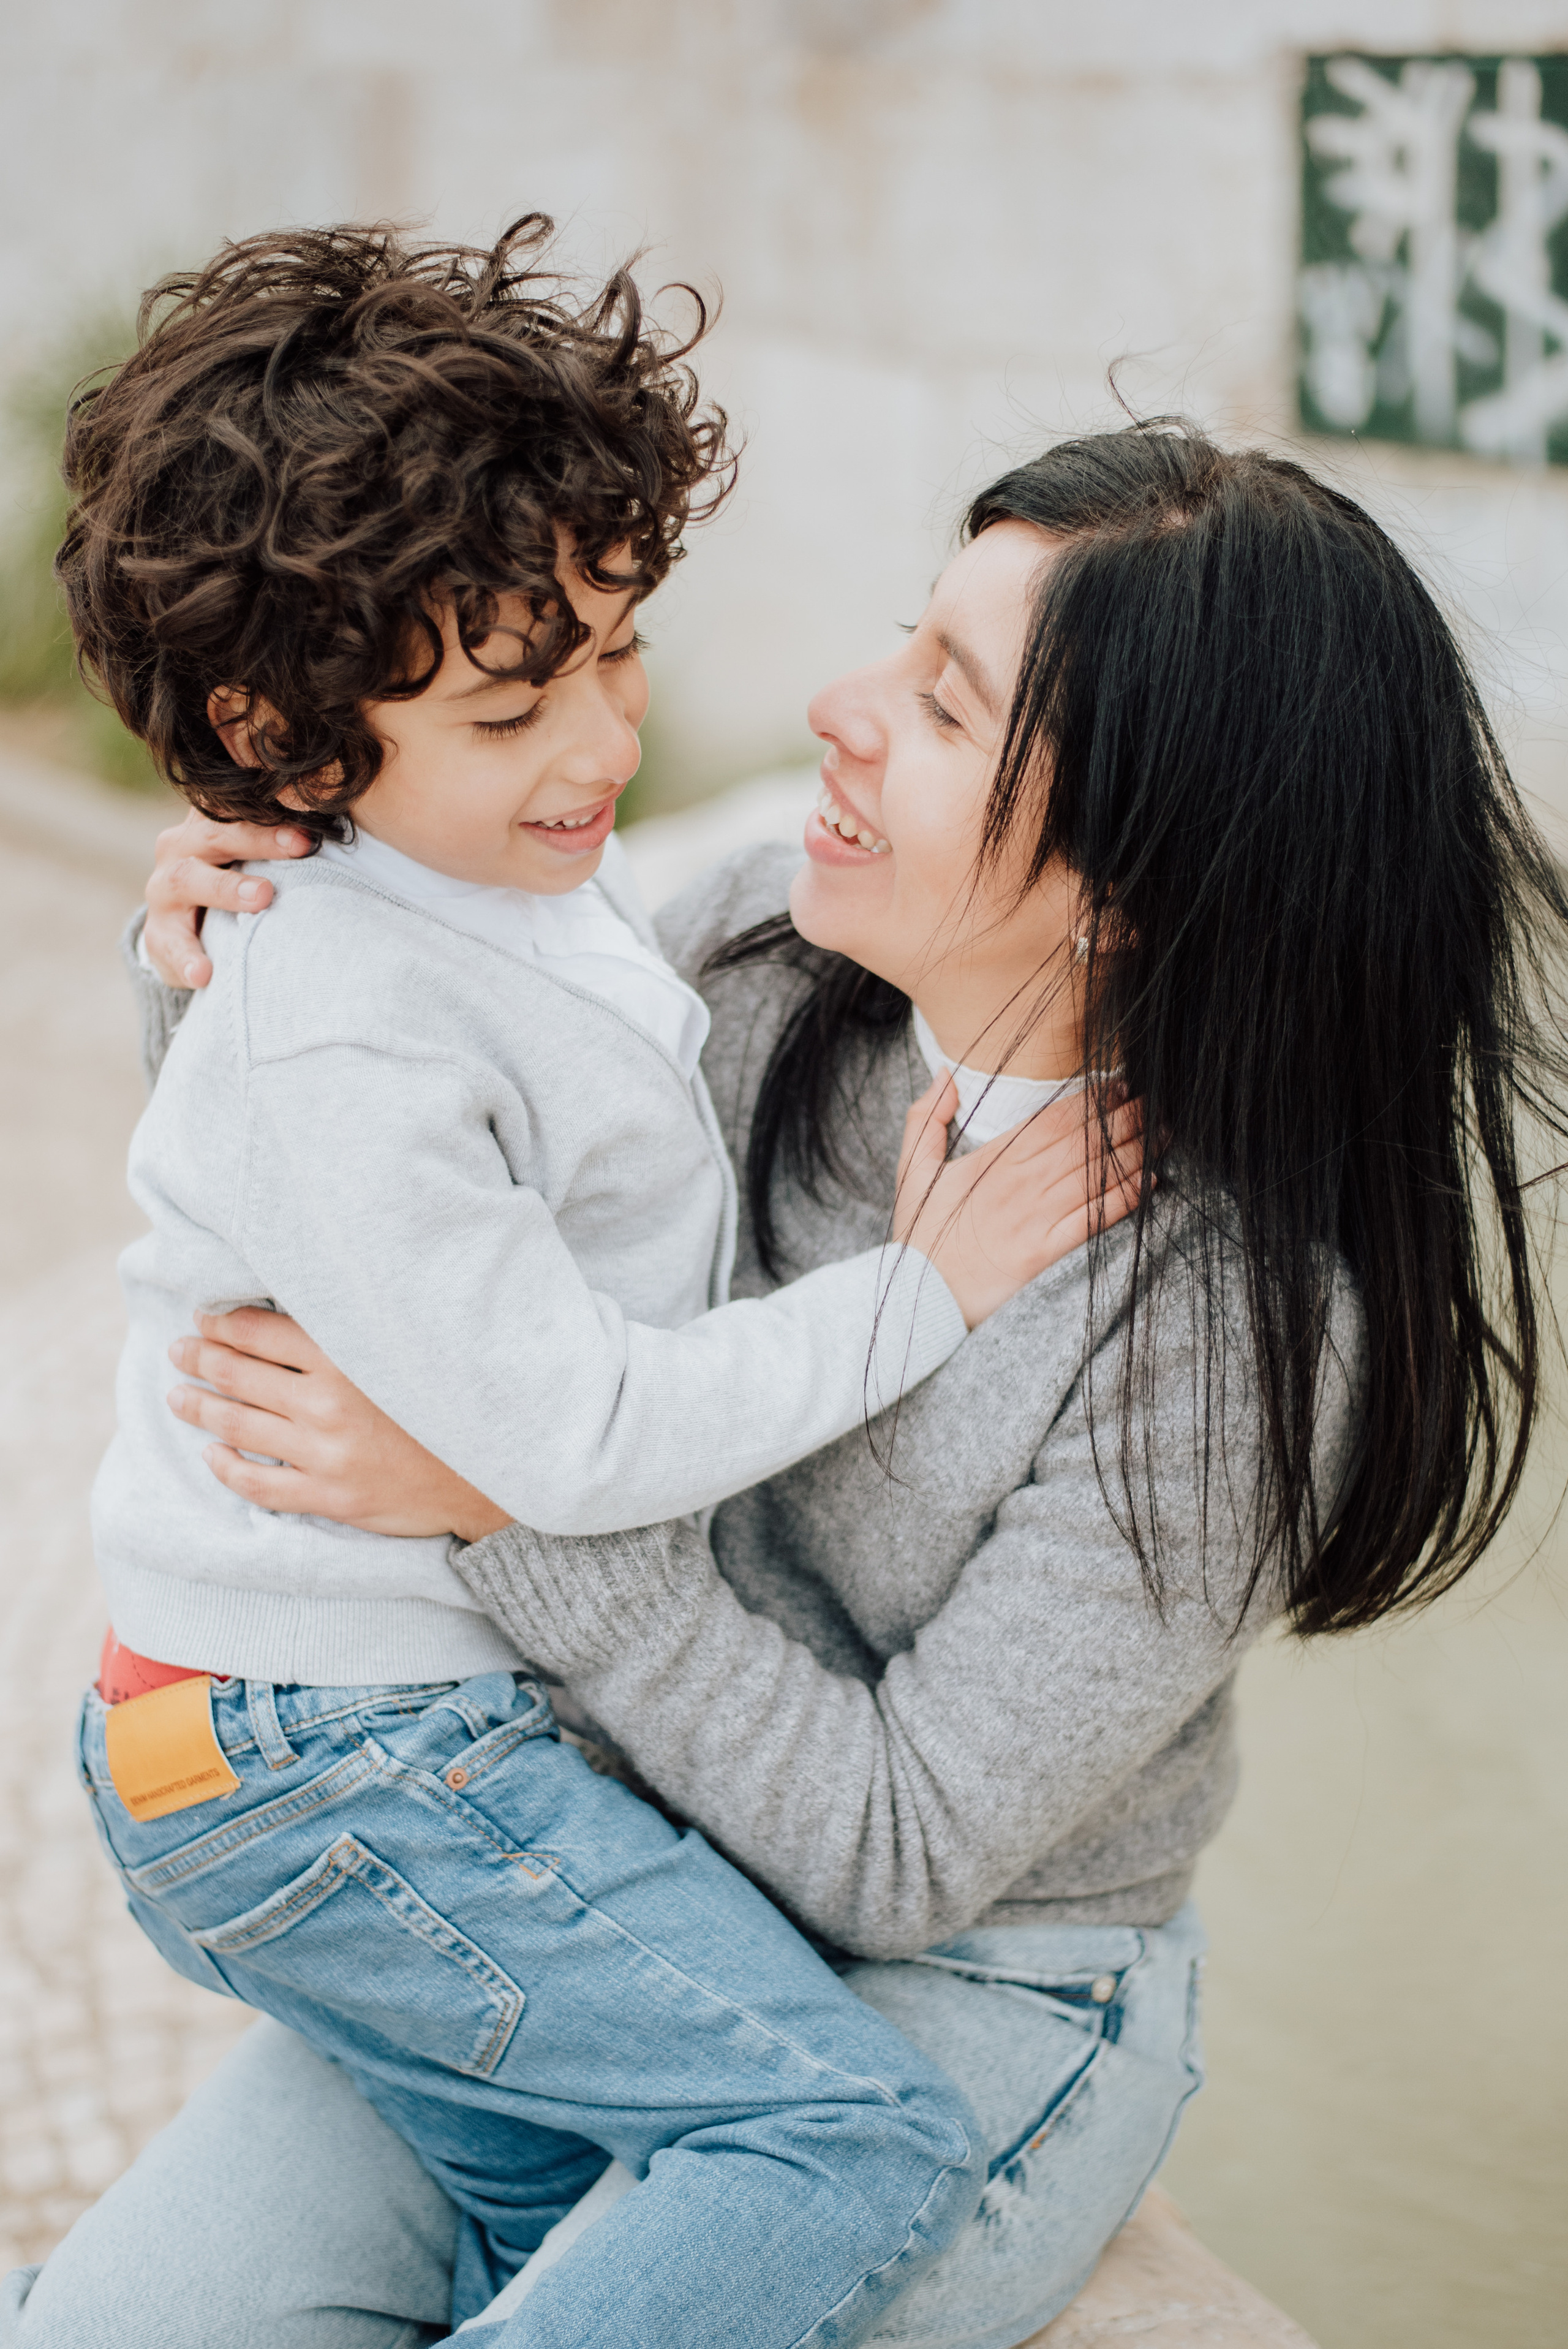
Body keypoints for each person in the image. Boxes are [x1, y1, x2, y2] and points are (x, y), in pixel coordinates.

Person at [9, 420, 1564, 2349]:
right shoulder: (752, 946)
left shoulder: (1227, 1330)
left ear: (1136, 876)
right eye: (903, 644)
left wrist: (498, 1508)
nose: (839, 707)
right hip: (581, 1861)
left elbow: (895, 1848)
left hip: (962, 1993)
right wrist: (234, 956)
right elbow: (396, 1153)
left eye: (940, 701)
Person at [47, 221, 1147, 2349]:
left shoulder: (465, 873)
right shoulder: (347, 994)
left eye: (619, 652)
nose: (602, 742)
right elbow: (577, 1436)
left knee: (547, 2222)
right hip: (342, 1753)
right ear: (282, 726)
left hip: (334, 1737)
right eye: (513, 703)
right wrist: (926, 1285)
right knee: (846, 2146)